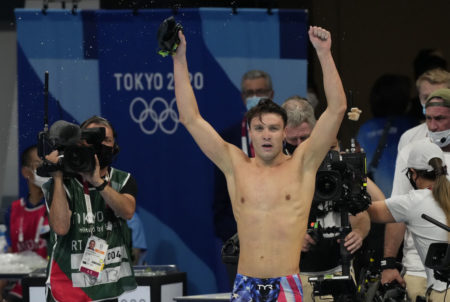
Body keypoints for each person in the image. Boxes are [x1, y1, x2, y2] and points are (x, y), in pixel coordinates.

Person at [172, 24, 347, 300]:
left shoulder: (302, 165)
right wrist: (179, 58)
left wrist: (324, 54)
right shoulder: (234, 164)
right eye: (259, 129)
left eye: (274, 129)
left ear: (285, 132)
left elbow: (336, 109)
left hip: (286, 285)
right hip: (245, 285)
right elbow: (190, 118)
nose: (267, 136)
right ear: (249, 131)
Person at [281, 98, 373, 301]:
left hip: (338, 272)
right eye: (292, 140)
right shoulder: (274, 169)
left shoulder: (339, 166)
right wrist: (291, 239)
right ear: (282, 134)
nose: (298, 146)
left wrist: (358, 232)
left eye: (304, 138)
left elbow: (361, 214)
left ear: (316, 131)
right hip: (292, 276)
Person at [43, 116, 137, 302]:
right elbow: (61, 227)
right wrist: (59, 178)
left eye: (106, 140)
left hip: (107, 288)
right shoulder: (63, 182)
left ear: (115, 146)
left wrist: (97, 182)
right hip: (66, 288)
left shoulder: (123, 180)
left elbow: (127, 211)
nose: (100, 144)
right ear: (80, 143)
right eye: (92, 139)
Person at [383, 88, 450, 301]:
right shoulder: (412, 149)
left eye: (440, 119)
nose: (433, 126)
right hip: (417, 269)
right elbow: (396, 208)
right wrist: (389, 263)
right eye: (429, 118)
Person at [367, 139, 450, 301]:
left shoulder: (413, 201)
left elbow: (369, 211)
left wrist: (359, 176)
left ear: (413, 173)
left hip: (441, 293)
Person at [0, 145, 50, 302]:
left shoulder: (57, 207)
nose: (43, 170)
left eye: (46, 165)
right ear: (25, 172)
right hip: (21, 288)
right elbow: (9, 256)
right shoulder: (13, 211)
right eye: (38, 165)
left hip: (52, 286)